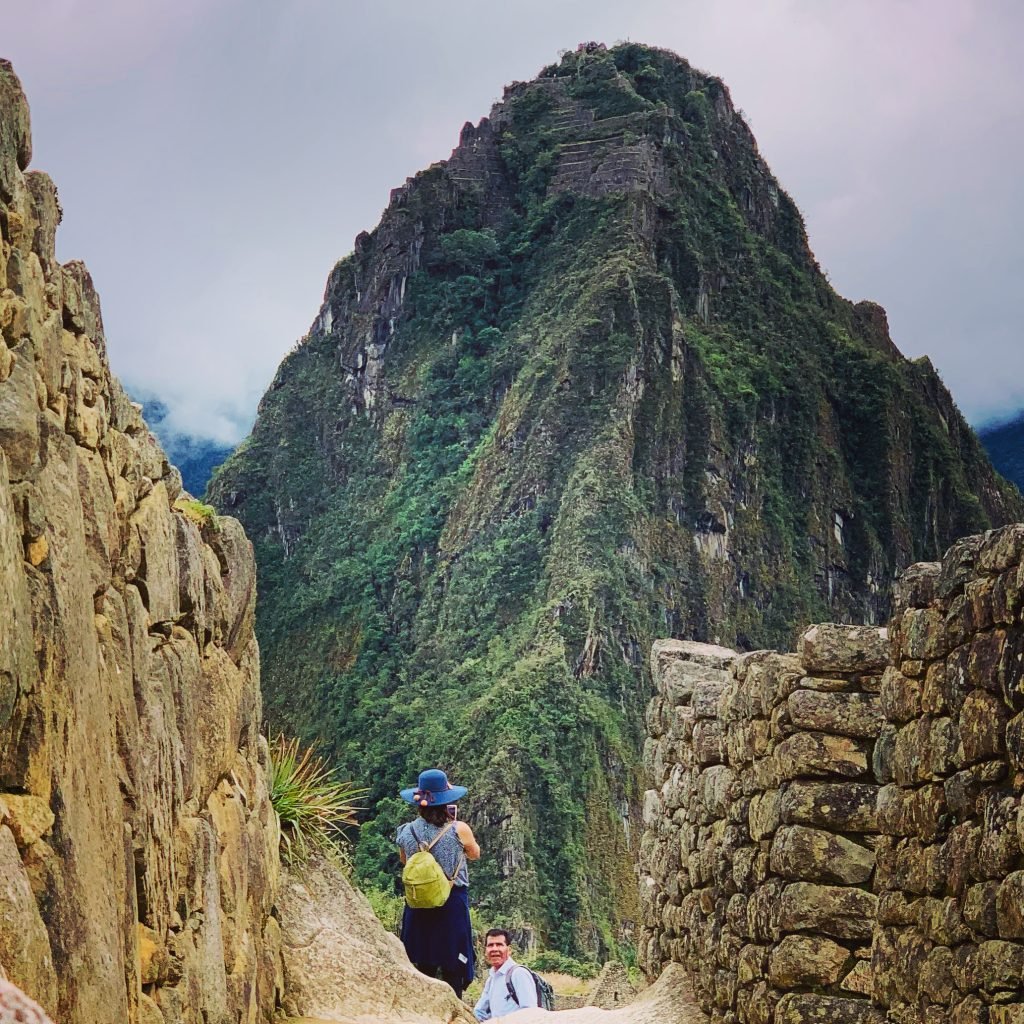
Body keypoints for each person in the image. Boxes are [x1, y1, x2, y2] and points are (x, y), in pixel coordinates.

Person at [396, 768, 481, 998]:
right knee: (453, 963)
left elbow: (405, 861)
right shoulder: (458, 829)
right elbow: (474, 854)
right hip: (451, 901)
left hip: (418, 903)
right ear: (447, 802)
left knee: (420, 961)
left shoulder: (405, 831)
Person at [473, 928, 539, 1019]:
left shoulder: (519, 974)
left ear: (509, 949)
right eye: (490, 945)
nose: (494, 949)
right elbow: (479, 1012)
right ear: (485, 951)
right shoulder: (492, 979)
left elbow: (530, 1013)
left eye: (499, 945)